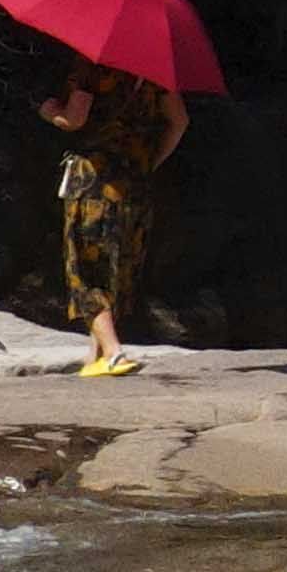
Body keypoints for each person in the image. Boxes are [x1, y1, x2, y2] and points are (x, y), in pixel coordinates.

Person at [41, 51, 184, 380]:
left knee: (86, 270)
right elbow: (179, 123)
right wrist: (148, 162)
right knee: (117, 268)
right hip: (135, 182)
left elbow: (73, 120)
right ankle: (97, 355)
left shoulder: (91, 67)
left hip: (93, 181)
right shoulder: (156, 72)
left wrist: (51, 113)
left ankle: (115, 353)